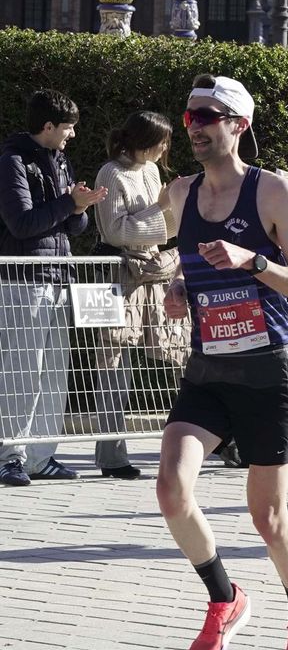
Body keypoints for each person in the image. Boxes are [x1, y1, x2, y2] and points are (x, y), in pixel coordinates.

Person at [153, 74, 288, 650]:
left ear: (239, 125)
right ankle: (224, 600)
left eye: (208, 115)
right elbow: (192, 271)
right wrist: (179, 289)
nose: (195, 126)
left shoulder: (273, 191)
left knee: (268, 518)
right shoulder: (180, 193)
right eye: (190, 116)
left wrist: (256, 261)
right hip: (207, 371)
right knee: (171, 490)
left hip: (267, 373)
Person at [0, 90, 109, 487]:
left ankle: (41, 457)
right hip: (23, 279)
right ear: (48, 127)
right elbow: (22, 224)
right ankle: (9, 455)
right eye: (68, 127)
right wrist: (68, 205)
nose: (73, 135)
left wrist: (78, 208)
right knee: (22, 371)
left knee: (54, 372)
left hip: (59, 276)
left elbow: (72, 227)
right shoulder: (12, 161)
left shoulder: (58, 159)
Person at [91, 110, 179, 480]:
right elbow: (115, 231)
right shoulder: (111, 172)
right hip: (118, 273)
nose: (164, 149)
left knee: (176, 348)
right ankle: (111, 454)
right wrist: (162, 209)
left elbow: (151, 228)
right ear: (145, 140)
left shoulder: (152, 171)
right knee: (113, 358)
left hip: (151, 272)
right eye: (161, 142)